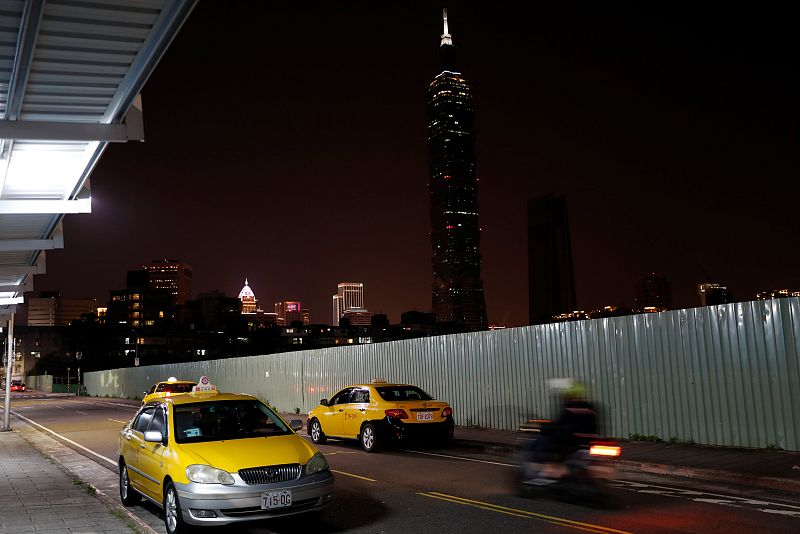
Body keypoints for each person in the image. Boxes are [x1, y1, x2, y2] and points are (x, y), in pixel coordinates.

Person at [523, 381, 598, 484]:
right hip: (586, 443)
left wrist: (546, 429)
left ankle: (538, 472)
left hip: (569, 442)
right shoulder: (591, 408)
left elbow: (561, 425)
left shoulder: (570, 408)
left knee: (538, 443)